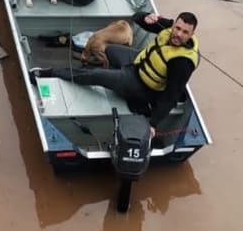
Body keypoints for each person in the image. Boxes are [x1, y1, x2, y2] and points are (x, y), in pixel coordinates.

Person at [33, 11, 200, 138]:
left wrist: (153, 124)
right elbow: (136, 18)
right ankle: (117, 78)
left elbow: (171, 96)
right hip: (136, 62)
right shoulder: (169, 28)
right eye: (177, 28)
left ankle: (52, 72)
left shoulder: (182, 63)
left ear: (191, 34)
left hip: (141, 84)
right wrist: (147, 17)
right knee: (109, 50)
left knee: (96, 75)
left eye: (185, 32)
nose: (178, 34)